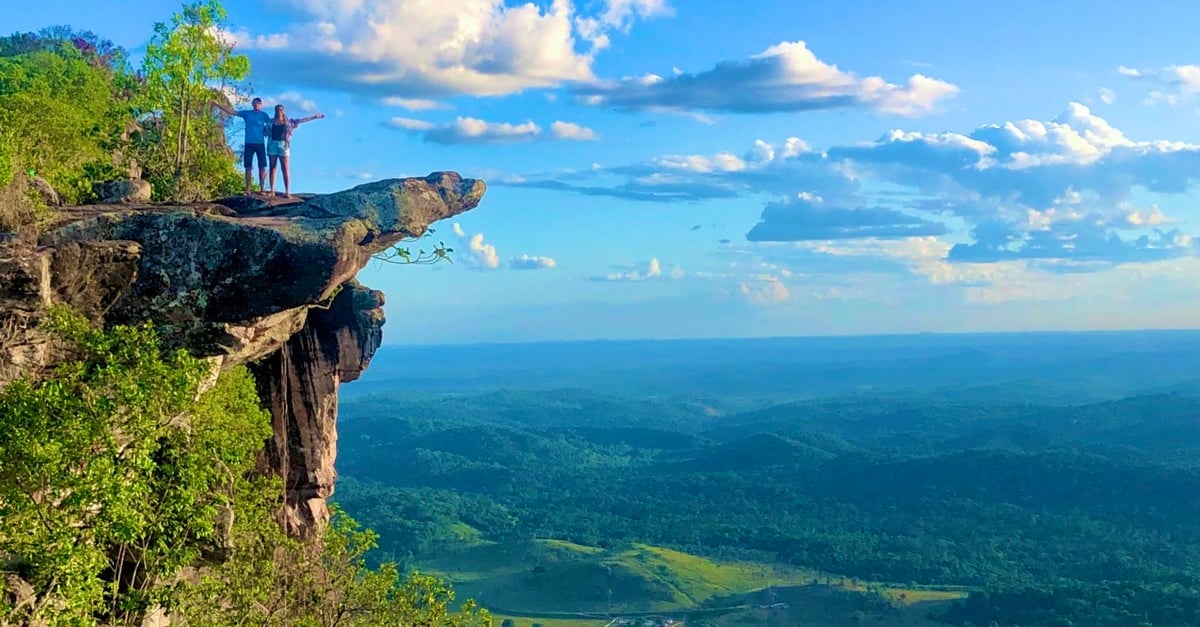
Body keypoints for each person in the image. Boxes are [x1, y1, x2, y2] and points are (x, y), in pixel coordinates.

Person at [212, 96, 271, 196]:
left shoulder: (264, 115)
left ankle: (262, 189)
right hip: (249, 143)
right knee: (248, 166)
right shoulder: (247, 114)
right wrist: (218, 104)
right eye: (255, 103)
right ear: (252, 104)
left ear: (261, 105)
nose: (257, 105)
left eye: (259, 103)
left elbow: (271, 125)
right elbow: (232, 112)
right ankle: (248, 189)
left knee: (262, 166)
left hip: (260, 143)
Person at [266, 104, 325, 198]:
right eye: (277, 110)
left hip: (284, 145)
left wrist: (314, 117)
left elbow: (301, 120)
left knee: (285, 168)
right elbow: (264, 131)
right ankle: (272, 191)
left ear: (283, 111)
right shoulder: (270, 122)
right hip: (272, 144)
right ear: (275, 111)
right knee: (272, 168)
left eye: (281, 110)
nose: (279, 111)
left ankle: (287, 191)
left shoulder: (288, 122)